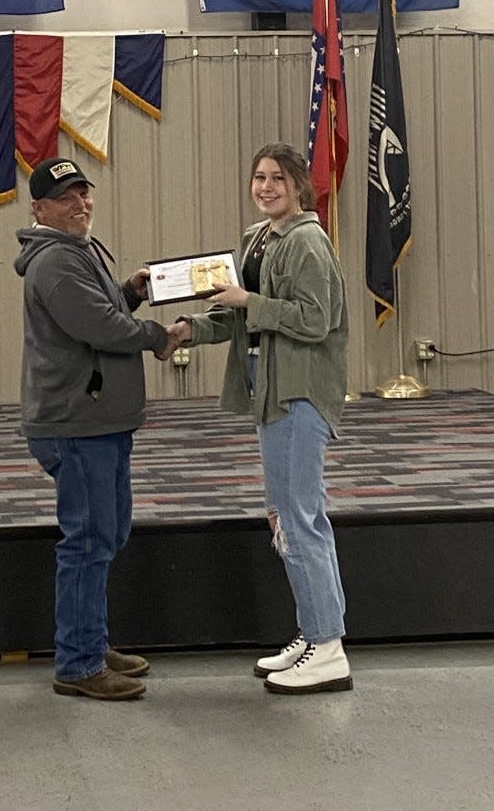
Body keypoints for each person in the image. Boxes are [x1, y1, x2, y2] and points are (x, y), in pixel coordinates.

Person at [167, 142, 352, 694]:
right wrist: (187, 329)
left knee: (300, 519)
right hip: (268, 394)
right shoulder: (259, 239)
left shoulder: (307, 243)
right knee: (285, 518)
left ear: (300, 185)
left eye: (277, 178)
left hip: (300, 395)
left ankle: (328, 647)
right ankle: (314, 631)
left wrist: (251, 302)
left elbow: (316, 321)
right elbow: (233, 314)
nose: (266, 187)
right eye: (258, 177)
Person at [15, 156, 179, 702]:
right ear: (39, 207)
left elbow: (103, 308)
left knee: (105, 535)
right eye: (67, 197)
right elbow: (96, 326)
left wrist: (129, 290)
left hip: (95, 420)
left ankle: (89, 640)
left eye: (84, 193)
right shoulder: (56, 262)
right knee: (87, 540)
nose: (81, 203)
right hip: (76, 424)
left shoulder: (73, 253)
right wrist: (157, 334)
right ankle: (79, 663)